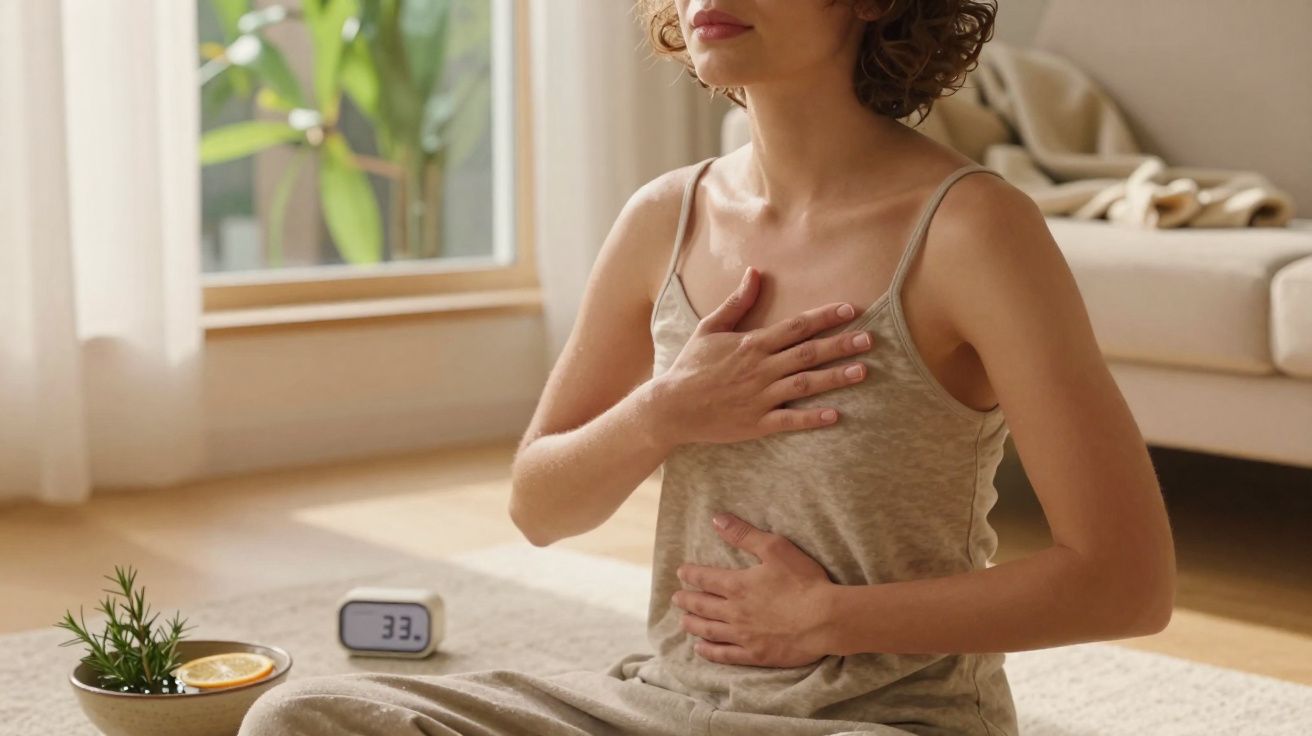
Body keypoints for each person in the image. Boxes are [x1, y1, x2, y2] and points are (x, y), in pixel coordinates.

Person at [239, 1, 1177, 734]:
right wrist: (665, 411)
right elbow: (538, 506)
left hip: (883, 723)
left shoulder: (972, 231)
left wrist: (826, 621)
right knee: (301, 719)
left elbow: (1128, 582)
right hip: (660, 707)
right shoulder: (664, 218)